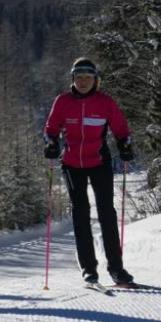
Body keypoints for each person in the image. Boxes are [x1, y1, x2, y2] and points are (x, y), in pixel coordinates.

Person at [44, 58, 136, 286]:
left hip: (99, 162)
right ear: (73, 79)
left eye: (88, 77)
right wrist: (51, 143)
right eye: (79, 77)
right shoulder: (63, 102)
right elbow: (50, 129)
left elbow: (121, 128)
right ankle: (88, 269)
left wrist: (125, 144)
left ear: (96, 80)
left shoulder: (105, 102)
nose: (83, 82)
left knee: (107, 213)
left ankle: (116, 269)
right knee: (81, 212)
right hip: (72, 163)